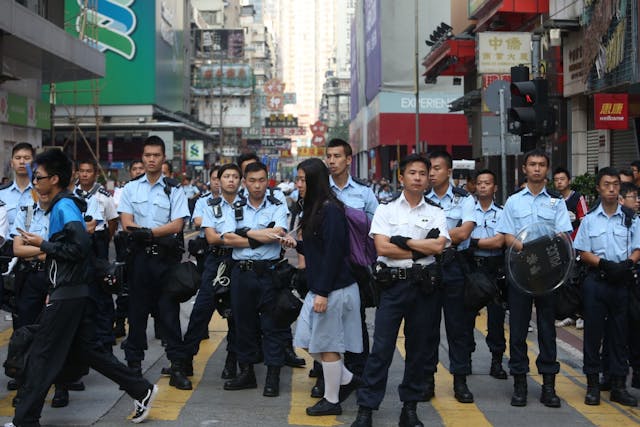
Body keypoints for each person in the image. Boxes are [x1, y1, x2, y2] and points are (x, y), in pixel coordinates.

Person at [8, 149, 157, 427]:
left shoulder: (64, 206)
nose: (35, 181)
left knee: (42, 354)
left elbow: (80, 246)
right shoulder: (63, 205)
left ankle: (25, 419)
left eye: (38, 177)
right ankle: (141, 389)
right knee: (87, 352)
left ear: (53, 179)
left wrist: (43, 245)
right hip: (69, 291)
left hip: (68, 293)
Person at [351, 154, 449, 427]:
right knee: (381, 348)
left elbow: (439, 247)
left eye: (422, 173)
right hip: (392, 286)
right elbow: (382, 248)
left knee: (418, 349)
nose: (417, 177)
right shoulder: (386, 209)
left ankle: (409, 408)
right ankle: (366, 409)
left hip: (424, 288)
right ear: (401, 177)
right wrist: (419, 245)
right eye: (412, 173)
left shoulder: (436, 212)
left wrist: (402, 242)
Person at [280, 158, 362, 416]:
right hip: (320, 287)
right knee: (305, 339)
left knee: (327, 346)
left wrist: (324, 293)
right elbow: (319, 249)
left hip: (333, 289)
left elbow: (335, 254)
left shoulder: (331, 210)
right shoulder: (314, 208)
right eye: (298, 179)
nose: (298, 184)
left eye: (303, 179)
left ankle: (332, 400)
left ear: (315, 180)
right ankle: (346, 378)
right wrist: (297, 246)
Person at [496, 148, 573, 408]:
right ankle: (519, 383)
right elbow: (506, 236)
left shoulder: (556, 202)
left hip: (549, 276)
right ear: (524, 169)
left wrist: (544, 251)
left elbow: (563, 237)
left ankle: (548, 386)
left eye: (541, 164)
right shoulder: (514, 201)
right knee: (517, 330)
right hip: (520, 274)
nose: (537, 169)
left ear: (547, 169)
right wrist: (525, 249)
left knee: (547, 331)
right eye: (532, 164)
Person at [118, 136, 192, 390]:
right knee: (136, 316)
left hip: (165, 261)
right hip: (138, 261)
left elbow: (177, 225)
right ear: (142, 157)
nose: (151, 160)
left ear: (163, 158)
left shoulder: (174, 188)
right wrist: (150, 232)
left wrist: (148, 233)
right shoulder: (131, 188)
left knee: (169, 316)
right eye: (147, 155)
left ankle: (178, 368)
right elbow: (127, 223)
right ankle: (133, 369)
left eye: (156, 155)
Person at [221, 162, 290, 397]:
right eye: (252, 180)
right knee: (244, 326)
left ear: (267, 180)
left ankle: (273, 376)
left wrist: (245, 232)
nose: (257, 185)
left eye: (262, 180)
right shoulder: (235, 206)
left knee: (273, 326)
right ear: (244, 182)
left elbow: (278, 234)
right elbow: (228, 239)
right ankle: (247, 373)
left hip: (269, 273)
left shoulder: (278, 205)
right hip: (241, 273)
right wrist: (263, 234)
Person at [573, 167, 639, 407]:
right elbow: (582, 251)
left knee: (620, 335)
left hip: (622, 282)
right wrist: (603, 263)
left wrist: (628, 263)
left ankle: (619, 386)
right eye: (607, 184)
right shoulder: (589, 220)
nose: (612, 188)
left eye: (615, 184)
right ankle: (592, 385)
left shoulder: (631, 218)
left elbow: (638, 248)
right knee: (593, 335)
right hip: (596, 282)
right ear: (599, 188)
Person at [176, 164, 242, 380]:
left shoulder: (247, 203)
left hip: (238, 261)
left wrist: (233, 239)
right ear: (218, 181)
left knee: (236, 314)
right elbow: (211, 237)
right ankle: (186, 360)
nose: (230, 180)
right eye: (226, 177)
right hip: (214, 260)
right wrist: (238, 239)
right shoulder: (208, 203)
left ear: (240, 180)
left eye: (235, 176)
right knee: (201, 311)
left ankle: (232, 362)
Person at [324, 138, 377, 395]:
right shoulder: (321, 190)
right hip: (328, 265)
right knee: (326, 321)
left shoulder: (364, 193)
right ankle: (330, 376)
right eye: (329, 156)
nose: (332, 161)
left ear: (348, 160)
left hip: (355, 266)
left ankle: (359, 372)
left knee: (355, 320)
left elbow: (375, 228)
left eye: (337, 156)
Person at [424, 150, 477, 403]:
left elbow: (465, 232)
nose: (431, 173)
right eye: (429, 169)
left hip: (455, 267)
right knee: (427, 327)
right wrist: (446, 237)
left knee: (459, 328)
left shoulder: (464, 199)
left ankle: (460, 381)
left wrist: (433, 239)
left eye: (436, 168)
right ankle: (427, 380)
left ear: (448, 171)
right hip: (426, 267)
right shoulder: (420, 198)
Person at [76, 159, 119, 351]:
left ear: (95, 174)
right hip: (77, 242)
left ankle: (105, 337)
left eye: (88, 171)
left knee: (102, 291)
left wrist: (103, 242)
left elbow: (112, 221)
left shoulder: (103, 196)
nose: (85, 174)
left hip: (98, 243)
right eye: (82, 171)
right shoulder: (70, 194)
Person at [468, 169, 507, 380]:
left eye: (487, 183)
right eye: (480, 183)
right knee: (466, 318)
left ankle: (497, 361)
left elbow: (499, 241)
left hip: (494, 269)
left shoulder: (501, 213)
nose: (483, 186)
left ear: (495, 188)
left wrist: (472, 242)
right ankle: (466, 358)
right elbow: (459, 239)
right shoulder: (468, 212)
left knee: (496, 319)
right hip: (472, 268)